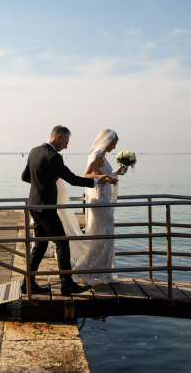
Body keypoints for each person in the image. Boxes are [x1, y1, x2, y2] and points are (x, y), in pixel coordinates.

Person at [21, 126, 114, 295]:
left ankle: (27, 282)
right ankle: (66, 284)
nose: (66, 146)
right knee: (62, 242)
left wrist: (43, 184)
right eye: (65, 142)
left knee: (40, 244)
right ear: (58, 138)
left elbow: (25, 177)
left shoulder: (34, 151)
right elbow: (72, 179)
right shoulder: (54, 157)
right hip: (46, 207)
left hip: (33, 205)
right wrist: (96, 182)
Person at [56, 129, 127, 285]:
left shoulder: (103, 157)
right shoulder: (96, 155)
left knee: (102, 234)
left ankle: (101, 271)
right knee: (105, 233)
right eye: (113, 144)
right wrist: (105, 177)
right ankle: (88, 269)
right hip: (99, 201)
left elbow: (104, 176)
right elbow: (86, 175)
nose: (114, 148)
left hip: (104, 200)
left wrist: (116, 173)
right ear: (107, 141)